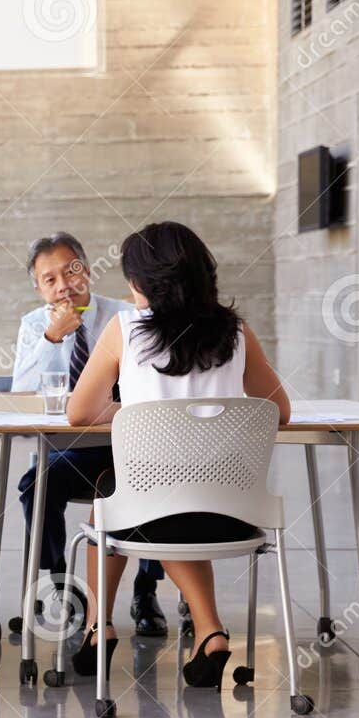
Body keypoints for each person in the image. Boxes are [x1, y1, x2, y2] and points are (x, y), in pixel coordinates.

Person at [67, 221, 289, 688]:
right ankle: (210, 631)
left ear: (144, 283)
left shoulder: (124, 330)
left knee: (112, 500)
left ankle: (98, 627)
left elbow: (79, 412)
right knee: (180, 500)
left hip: (148, 512)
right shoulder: (236, 331)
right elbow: (279, 410)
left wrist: (134, 411)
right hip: (233, 513)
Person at [10, 231, 168, 636]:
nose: (63, 285)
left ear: (88, 270)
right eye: (49, 279)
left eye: (71, 271)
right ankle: (61, 582)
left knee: (155, 480)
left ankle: (146, 589)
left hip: (130, 447)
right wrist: (52, 338)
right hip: (73, 450)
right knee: (36, 484)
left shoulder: (126, 316)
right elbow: (19, 394)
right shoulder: (34, 325)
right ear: (38, 288)